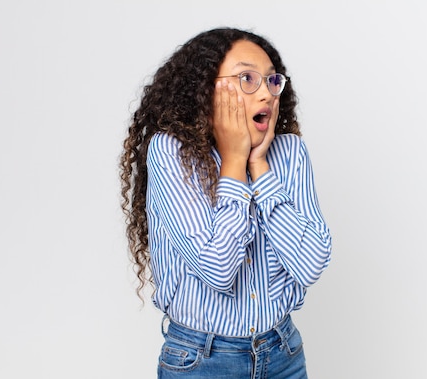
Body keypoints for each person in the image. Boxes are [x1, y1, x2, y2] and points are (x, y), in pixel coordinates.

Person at [120, 27, 332, 378]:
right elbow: (217, 269)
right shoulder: (172, 153)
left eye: (271, 80)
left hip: (282, 353)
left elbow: (310, 264)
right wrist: (234, 162)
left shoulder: (290, 152)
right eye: (247, 78)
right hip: (201, 359)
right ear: (206, 89)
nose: (265, 92)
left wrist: (259, 167)